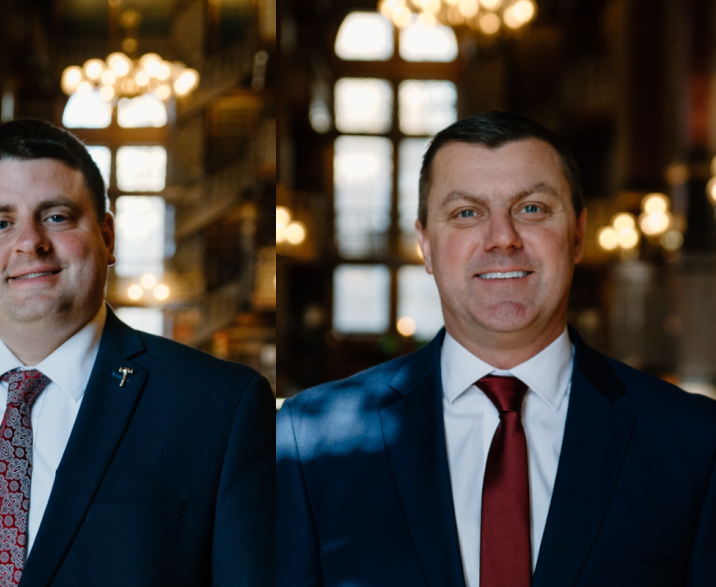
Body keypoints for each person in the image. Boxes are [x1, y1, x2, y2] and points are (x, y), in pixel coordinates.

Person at [276, 111, 716, 587]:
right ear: (425, 243)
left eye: (532, 209)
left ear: (578, 235)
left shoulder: (694, 441)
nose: (502, 238)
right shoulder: (307, 440)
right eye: (467, 213)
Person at [0, 119, 274, 587]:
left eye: (57, 217)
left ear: (107, 237)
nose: (30, 241)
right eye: (1, 223)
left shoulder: (218, 406)